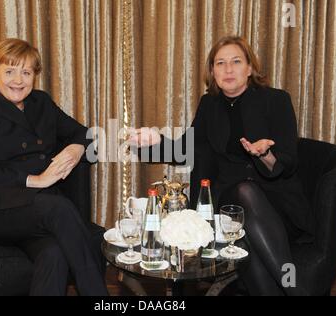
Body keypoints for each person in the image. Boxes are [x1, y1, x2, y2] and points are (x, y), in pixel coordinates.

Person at [129, 36, 315, 295]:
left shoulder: (276, 100)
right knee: (239, 207)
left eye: (236, 61)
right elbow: (185, 151)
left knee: (245, 227)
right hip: (226, 204)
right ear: (212, 71)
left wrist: (264, 154)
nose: (228, 69)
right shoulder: (209, 105)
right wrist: (155, 140)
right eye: (220, 63)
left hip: (276, 203)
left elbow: (289, 162)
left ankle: (294, 291)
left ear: (250, 69)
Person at [0, 38, 108, 296]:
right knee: (59, 207)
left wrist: (77, 147)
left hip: (39, 213)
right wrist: (36, 179)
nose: (18, 80)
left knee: (54, 253)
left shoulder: (42, 102)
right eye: (9, 71)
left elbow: (83, 132)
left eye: (26, 72)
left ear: (34, 76)